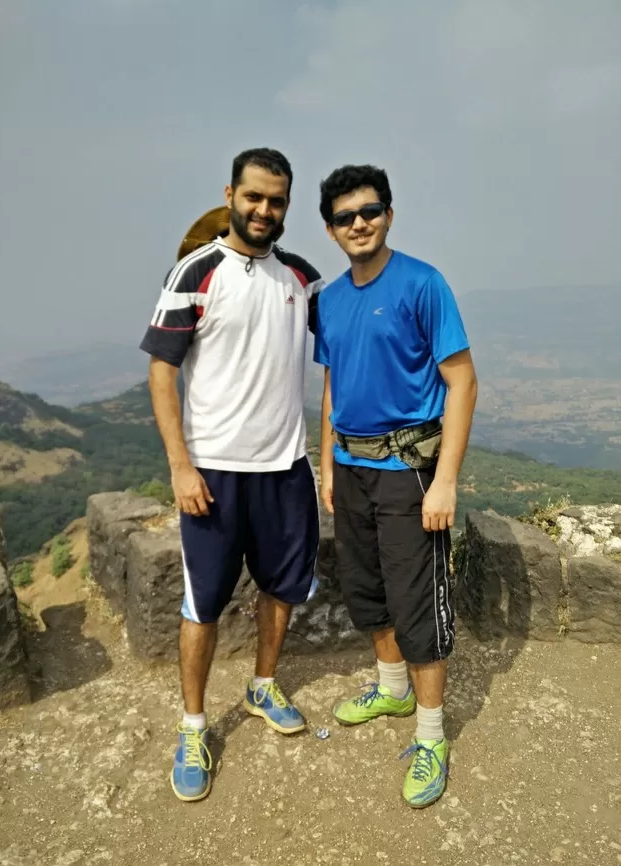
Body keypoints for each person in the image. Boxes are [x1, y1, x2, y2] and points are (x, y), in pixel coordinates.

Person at [140, 147, 324, 802]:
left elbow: (335, 356)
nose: (264, 210)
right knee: (204, 603)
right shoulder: (195, 271)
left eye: (276, 201)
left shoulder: (303, 277)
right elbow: (162, 369)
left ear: (286, 207)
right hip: (214, 473)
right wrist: (180, 466)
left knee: (281, 589)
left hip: (286, 468)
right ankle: (193, 727)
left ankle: (262, 685)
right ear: (231, 194)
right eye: (254, 197)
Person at [314, 164, 477, 808]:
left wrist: (445, 482)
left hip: (410, 470)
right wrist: (327, 461)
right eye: (345, 216)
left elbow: (461, 381)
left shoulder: (422, 283)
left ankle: (432, 735)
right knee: (366, 589)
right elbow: (332, 382)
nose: (359, 223)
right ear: (330, 230)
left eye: (370, 210)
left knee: (415, 602)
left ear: (388, 214)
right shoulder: (329, 299)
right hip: (350, 469)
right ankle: (391, 686)